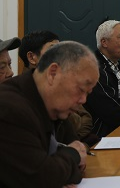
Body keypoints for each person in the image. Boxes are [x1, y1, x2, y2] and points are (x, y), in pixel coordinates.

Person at [0, 41, 99, 188]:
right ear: (53, 73)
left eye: (87, 93)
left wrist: (67, 163)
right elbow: (43, 178)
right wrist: (72, 156)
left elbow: (77, 159)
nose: (83, 100)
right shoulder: (10, 108)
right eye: (80, 89)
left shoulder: (52, 106)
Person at [19, 30, 97, 146]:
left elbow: (87, 118)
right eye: (52, 50)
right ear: (32, 57)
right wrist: (72, 142)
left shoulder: (62, 80)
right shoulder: (24, 91)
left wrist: (75, 139)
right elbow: (68, 125)